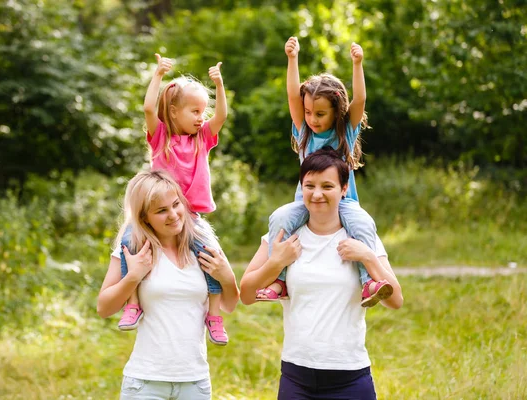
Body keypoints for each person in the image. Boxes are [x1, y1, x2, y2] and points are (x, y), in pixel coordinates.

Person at [240, 148, 403, 399]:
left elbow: (395, 301)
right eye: (309, 185)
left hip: (350, 376)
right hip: (297, 377)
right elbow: (247, 294)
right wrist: (277, 262)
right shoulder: (283, 238)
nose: (317, 194)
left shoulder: (360, 238)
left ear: (344, 189)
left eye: (327, 186)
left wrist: (368, 257)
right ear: (301, 188)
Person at [256, 36, 392, 307]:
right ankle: (279, 280)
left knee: (363, 224)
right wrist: (292, 60)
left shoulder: (345, 134)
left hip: (344, 202)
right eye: (308, 112)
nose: (312, 119)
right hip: (304, 202)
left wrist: (357, 64)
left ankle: (369, 283)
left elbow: (361, 98)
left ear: (336, 111)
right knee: (279, 218)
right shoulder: (304, 133)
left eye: (320, 114)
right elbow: (293, 95)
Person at [117, 53, 231, 345]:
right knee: (129, 243)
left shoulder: (203, 138)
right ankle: (133, 303)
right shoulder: (160, 137)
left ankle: (214, 316)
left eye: (202, 111)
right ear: (174, 111)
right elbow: (146, 107)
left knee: (212, 254)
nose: (201, 117)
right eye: (194, 111)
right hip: (151, 214)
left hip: (190, 217)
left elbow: (221, 117)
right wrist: (158, 75)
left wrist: (218, 85)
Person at [98, 170, 240, 400]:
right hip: (145, 383)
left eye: (176, 204)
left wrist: (227, 276)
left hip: (195, 383)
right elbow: (104, 307)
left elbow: (230, 304)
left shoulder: (202, 249)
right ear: (145, 218)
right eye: (161, 211)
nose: (173, 215)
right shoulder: (134, 250)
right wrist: (133, 276)